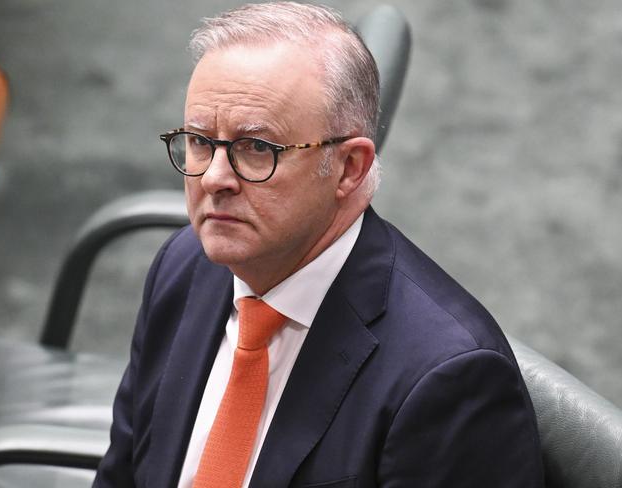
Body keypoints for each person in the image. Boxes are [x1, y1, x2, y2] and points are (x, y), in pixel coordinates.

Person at [94, 2, 544, 487]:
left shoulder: (446, 380)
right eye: (200, 141)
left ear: (349, 168)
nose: (214, 179)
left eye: (256, 148)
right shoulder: (184, 268)